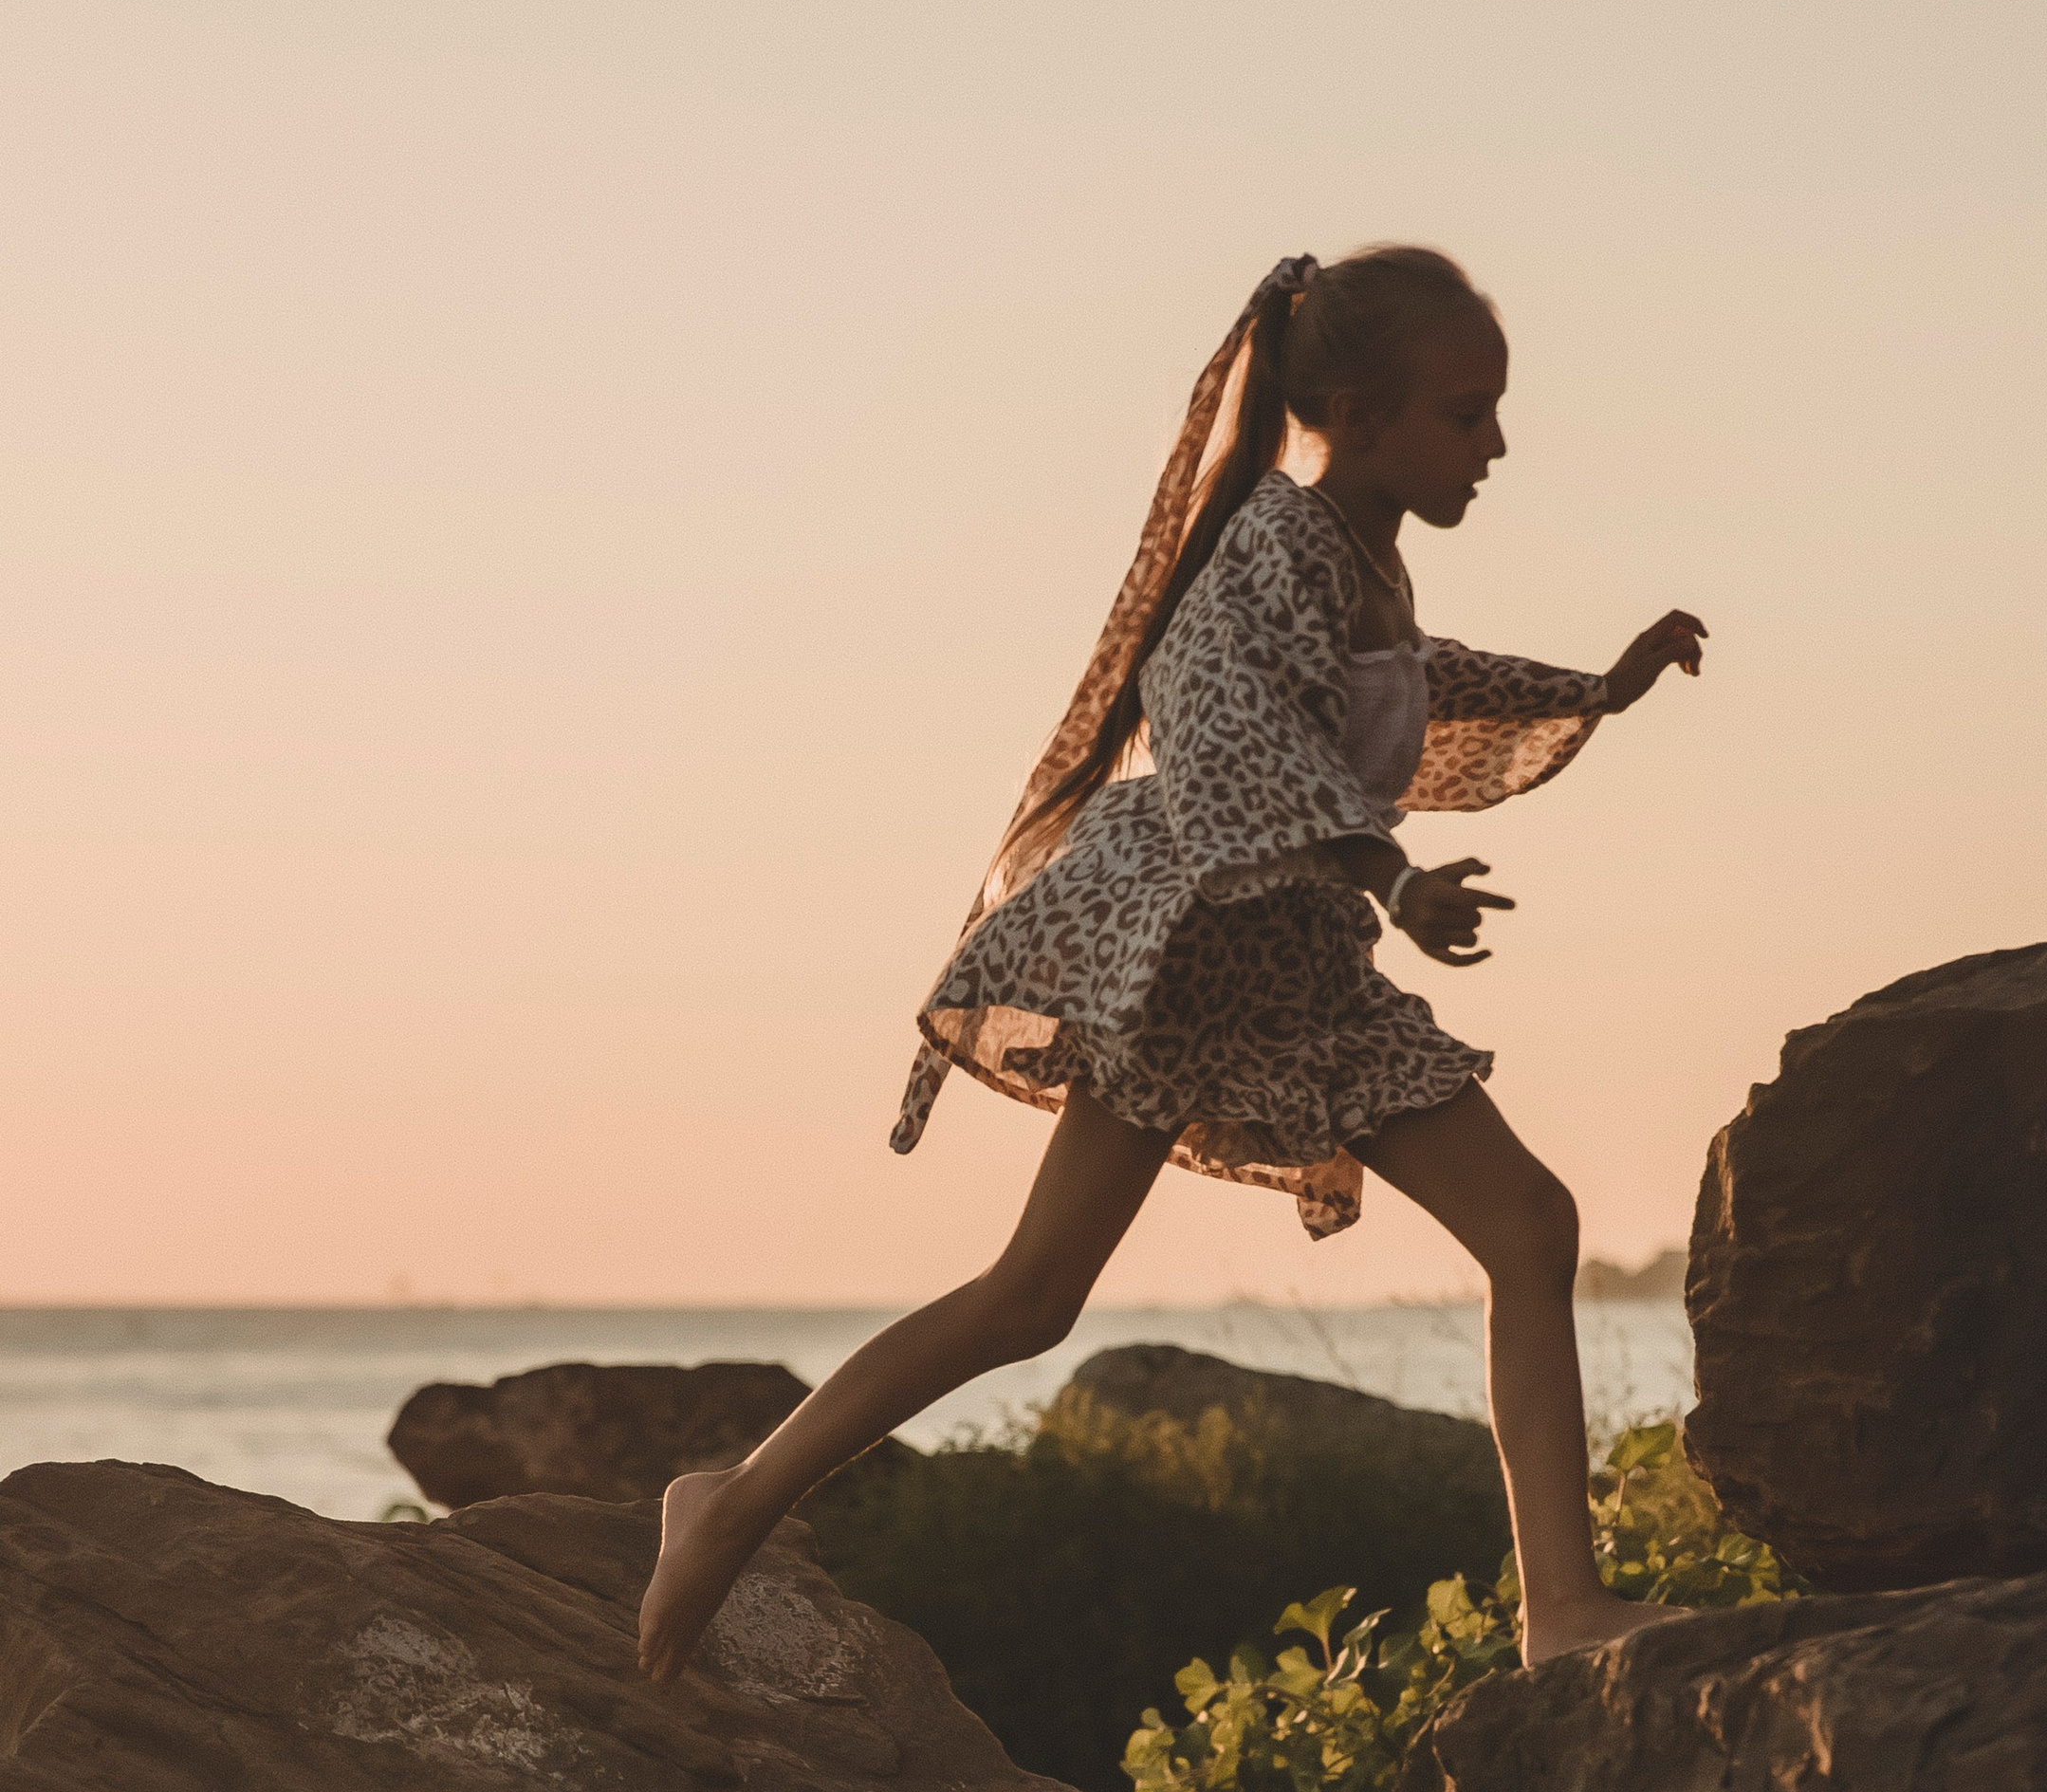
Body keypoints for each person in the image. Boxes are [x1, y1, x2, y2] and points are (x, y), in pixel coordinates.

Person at [637, 245, 1705, 1689]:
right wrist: (1393, 876)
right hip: (1196, 963)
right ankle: (730, 1501)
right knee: (1030, 1298)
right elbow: (1233, 737)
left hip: (1305, 972)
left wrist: (1595, 687)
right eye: (1467, 415)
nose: (1497, 444)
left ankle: (1562, 1608)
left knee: (1527, 1227)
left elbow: (1402, 675)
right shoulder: (1273, 546)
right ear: (1357, 414)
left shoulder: (1359, 553)